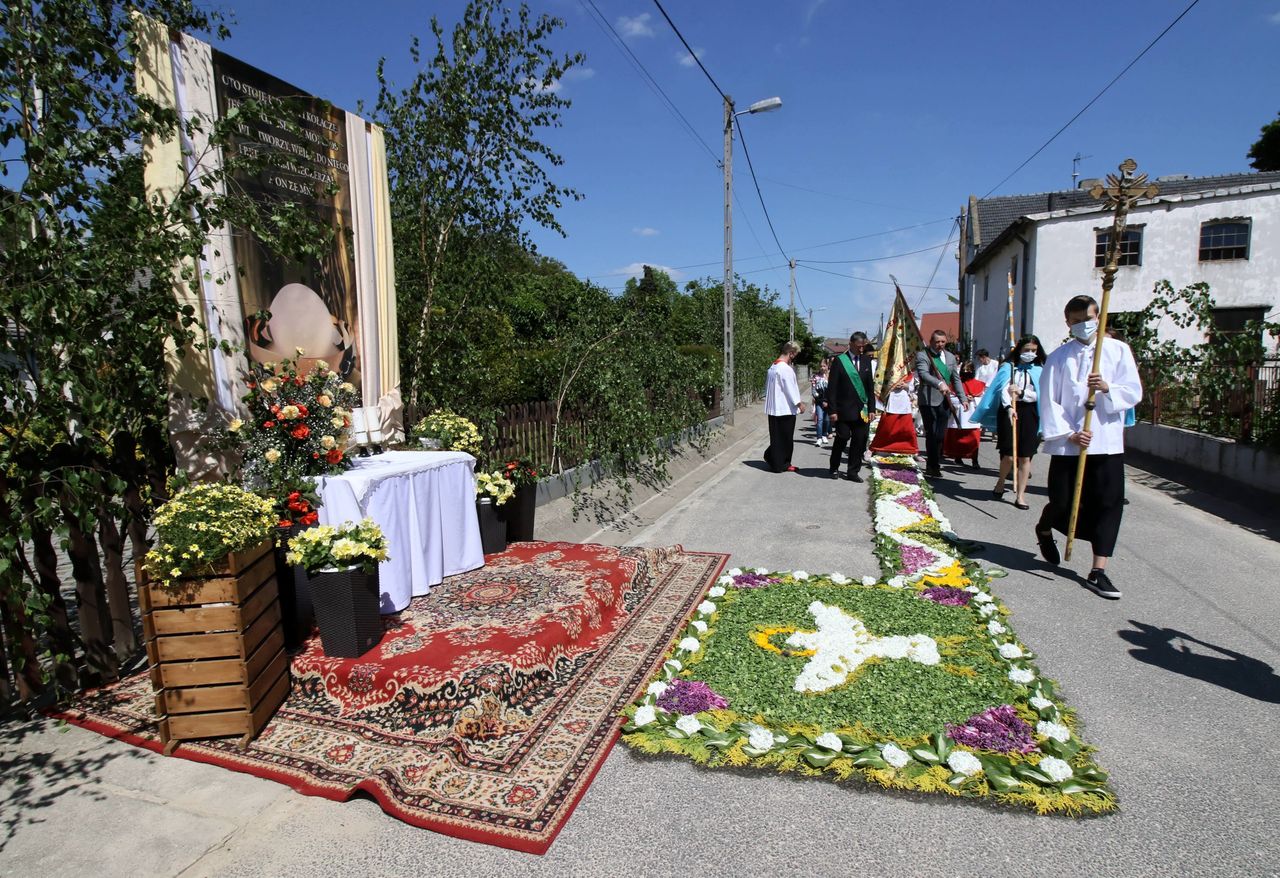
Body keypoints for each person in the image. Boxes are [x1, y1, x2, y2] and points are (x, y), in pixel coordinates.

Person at [1035, 295, 1143, 600]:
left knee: (1108, 504)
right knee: (1062, 502)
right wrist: (1069, 434)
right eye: (1077, 319)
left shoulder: (1118, 351)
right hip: (1070, 445)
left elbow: (1133, 391)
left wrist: (1108, 388)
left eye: (1090, 317)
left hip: (1106, 442)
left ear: (1100, 317)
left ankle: (1098, 571)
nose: (1084, 324)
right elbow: (1049, 401)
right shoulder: (1058, 358)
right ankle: (1045, 527)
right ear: (1068, 322)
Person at [974, 335, 1045, 509]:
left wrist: (1021, 393)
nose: (1030, 353)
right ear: (1019, 349)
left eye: (1033, 351)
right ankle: (1000, 482)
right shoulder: (1008, 367)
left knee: (1025, 456)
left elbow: (1040, 395)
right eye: (1027, 350)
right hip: (1009, 411)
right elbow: (1002, 389)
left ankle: (1020, 495)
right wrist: (1008, 407)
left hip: (1030, 412)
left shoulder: (1039, 370)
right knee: (1009, 454)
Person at [914, 330, 968, 477]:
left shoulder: (950, 357)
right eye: (937, 342)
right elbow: (923, 374)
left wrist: (963, 398)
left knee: (940, 435)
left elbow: (955, 378)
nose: (940, 345)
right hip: (928, 400)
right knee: (931, 433)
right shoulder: (923, 355)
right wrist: (939, 383)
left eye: (943, 342)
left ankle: (935, 461)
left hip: (946, 400)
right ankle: (933, 466)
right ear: (931, 341)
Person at [827, 331, 876, 482]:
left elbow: (869, 388)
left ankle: (853, 472)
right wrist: (832, 410)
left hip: (861, 410)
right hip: (843, 410)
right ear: (851, 344)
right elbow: (832, 387)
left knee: (859, 441)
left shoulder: (867, 361)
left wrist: (873, 409)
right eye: (859, 346)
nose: (862, 349)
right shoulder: (840, 361)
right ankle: (834, 467)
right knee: (842, 437)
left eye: (864, 346)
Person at [764, 341, 806, 472]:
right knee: (786, 438)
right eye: (795, 354)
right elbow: (790, 388)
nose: (794, 357)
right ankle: (783, 463)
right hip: (785, 408)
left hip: (773, 408)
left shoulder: (773, 367)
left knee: (776, 436)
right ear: (791, 353)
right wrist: (799, 403)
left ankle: (775, 460)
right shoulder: (785, 369)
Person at [944, 362, 985, 469]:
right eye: (964, 370)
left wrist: (974, 399)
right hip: (960, 414)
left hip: (972, 414)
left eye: (969, 370)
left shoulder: (979, 384)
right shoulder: (955, 384)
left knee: (974, 439)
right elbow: (951, 398)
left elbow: (983, 399)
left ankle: (974, 460)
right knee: (958, 438)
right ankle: (958, 458)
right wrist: (963, 399)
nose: (966, 373)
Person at [870, 373, 919, 455]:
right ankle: (876, 448)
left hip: (904, 400)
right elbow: (879, 382)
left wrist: (905, 385)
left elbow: (913, 387)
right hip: (890, 398)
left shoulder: (909, 371)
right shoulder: (888, 368)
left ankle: (910, 450)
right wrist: (892, 385)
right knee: (886, 428)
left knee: (907, 430)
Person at [811, 359, 831, 446]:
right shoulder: (815, 377)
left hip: (828, 403)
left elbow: (832, 391)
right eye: (821, 366)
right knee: (820, 419)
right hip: (819, 402)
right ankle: (819, 437)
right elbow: (813, 391)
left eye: (824, 366)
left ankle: (824, 435)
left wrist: (827, 401)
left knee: (827, 420)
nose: (822, 368)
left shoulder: (830, 377)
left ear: (827, 366)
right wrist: (820, 400)